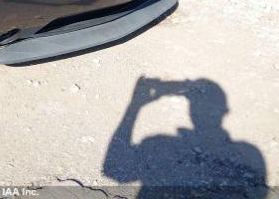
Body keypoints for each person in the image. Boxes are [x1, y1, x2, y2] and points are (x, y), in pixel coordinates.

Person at [104, 77, 267, 199]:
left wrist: (135, 106)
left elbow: (114, 171)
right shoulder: (250, 152)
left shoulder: (156, 142)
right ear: (225, 111)